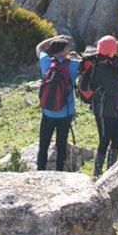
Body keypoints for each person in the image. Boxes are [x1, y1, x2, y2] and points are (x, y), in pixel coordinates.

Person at [36, 34, 79, 171]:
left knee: (43, 145)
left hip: (47, 112)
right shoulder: (73, 65)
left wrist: (54, 38)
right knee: (61, 146)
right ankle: (60, 173)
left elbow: (39, 47)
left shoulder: (46, 62)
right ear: (65, 50)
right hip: (65, 113)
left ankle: (40, 171)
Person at [90, 34, 118, 177]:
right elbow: (116, 88)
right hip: (103, 109)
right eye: (115, 46)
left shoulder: (114, 63)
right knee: (105, 139)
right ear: (109, 48)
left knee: (117, 138)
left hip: (114, 106)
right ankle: (97, 172)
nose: (117, 48)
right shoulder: (100, 68)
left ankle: (111, 171)